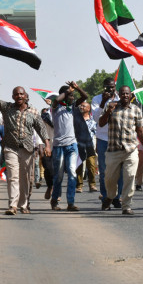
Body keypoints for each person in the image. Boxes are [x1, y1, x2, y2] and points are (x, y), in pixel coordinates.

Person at [0, 84, 50, 215]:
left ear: (25, 96)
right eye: (16, 94)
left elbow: (41, 129)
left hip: (27, 149)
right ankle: (13, 205)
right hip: (10, 148)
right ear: (13, 97)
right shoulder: (7, 108)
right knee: (13, 177)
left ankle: (24, 205)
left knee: (25, 178)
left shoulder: (33, 112)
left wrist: (47, 145)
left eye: (21, 94)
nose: (19, 96)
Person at [98, 85, 143, 215]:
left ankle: (126, 205)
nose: (125, 96)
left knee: (130, 177)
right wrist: (109, 111)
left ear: (131, 96)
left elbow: (140, 130)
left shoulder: (136, 110)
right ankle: (110, 196)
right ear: (119, 95)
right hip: (113, 150)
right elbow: (101, 123)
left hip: (130, 149)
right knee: (109, 178)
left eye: (127, 94)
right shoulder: (111, 106)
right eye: (122, 93)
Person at [49, 82, 88, 211]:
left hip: (72, 145)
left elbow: (84, 96)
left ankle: (70, 202)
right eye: (70, 95)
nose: (72, 97)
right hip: (59, 146)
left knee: (72, 173)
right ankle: (54, 200)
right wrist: (67, 92)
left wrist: (76, 88)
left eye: (72, 95)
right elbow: (56, 100)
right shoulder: (55, 107)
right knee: (59, 176)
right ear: (64, 95)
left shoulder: (72, 107)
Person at [91, 77, 122, 208]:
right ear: (104, 87)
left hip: (118, 138)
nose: (110, 89)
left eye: (112, 86)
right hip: (103, 139)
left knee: (120, 170)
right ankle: (106, 196)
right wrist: (103, 102)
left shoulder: (121, 98)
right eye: (108, 87)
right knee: (104, 171)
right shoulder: (97, 99)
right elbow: (97, 119)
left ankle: (117, 197)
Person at [74, 101, 97, 193]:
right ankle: (79, 185)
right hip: (78, 144)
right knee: (79, 165)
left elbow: (96, 133)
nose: (81, 107)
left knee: (91, 165)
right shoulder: (76, 119)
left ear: (88, 108)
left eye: (83, 106)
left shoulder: (93, 121)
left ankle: (92, 185)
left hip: (89, 145)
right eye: (80, 105)